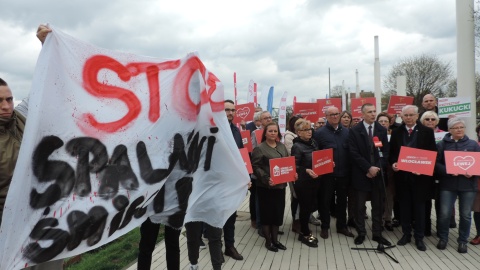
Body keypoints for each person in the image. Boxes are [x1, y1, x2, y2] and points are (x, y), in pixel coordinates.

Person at [0, 25, 64, 270]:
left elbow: (43, 87)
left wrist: (45, 47)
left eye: (9, 99)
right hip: (9, 236)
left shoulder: (23, 118)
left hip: (42, 222)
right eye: (0, 101)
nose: (6, 106)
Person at [390, 105, 436, 251]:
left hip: (420, 178)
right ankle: (406, 234)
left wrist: (423, 168)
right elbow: (392, 154)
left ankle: (419, 237)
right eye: (406, 115)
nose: (408, 118)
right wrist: (393, 164)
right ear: (401, 117)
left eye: (411, 115)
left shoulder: (427, 132)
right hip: (402, 177)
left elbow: (432, 153)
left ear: (417, 116)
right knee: (404, 207)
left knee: (420, 209)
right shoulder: (396, 132)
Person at [435, 117, 480, 253]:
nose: (459, 130)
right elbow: (436, 164)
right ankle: (443, 238)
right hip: (448, 185)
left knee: (465, 215)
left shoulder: (473, 145)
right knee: (444, 214)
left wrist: (473, 173)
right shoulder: (442, 144)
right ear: (450, 130)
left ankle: (462, 241)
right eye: (456, 127)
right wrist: (448, 170)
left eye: (461, 127)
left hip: (468, 186)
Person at [348, 103, 391, 246]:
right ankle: (361, 232)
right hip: (361, 174)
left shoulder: (381, 130)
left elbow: (385, 153)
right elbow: (353, 153)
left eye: (374, 111)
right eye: (370, 112)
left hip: (378, 174)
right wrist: (368, 168)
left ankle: (377, 234)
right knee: (359, 206)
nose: (373, 114)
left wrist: (377, 168)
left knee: (378, 205)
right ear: (363, 114)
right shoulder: (355, 130)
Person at [313, 106, 354, 239]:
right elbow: (315, 153)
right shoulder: (319, 133)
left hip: (344, 174)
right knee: (325, 201)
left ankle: (342, 226)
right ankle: (325, 227)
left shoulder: (348, 132)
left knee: (342, 201)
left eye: (337, 114)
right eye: (331, 115)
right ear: (327, 117)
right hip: (327, 175)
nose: (335, 116)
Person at [251, 122, 290, 252]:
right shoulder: (260, 148)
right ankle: (268, 242)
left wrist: (292, 173)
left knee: (277, 214)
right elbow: (255, 166)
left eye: (275, 131)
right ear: (265, 133)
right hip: (266, 188)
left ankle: (275, 240)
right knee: (267, 215)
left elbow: (288, 162)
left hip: (280, 187)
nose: (273, 133)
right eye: (270, 131)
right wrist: (266, 179)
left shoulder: (281, 146)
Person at [291, 119, 320, 247]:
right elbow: (294, 166)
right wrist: (306, 170)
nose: (309, 132)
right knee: (304, 207)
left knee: (311, 205)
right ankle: (304, 232)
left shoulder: (313, 142)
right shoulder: (296, 146)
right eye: (305, 130)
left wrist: (328, 163)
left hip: (314, 179)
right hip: (303, 182)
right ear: (298, 133)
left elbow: (319, 158)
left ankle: (305, 229)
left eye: (310, 129)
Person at [221, 99, 244, 260]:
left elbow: (242, 155)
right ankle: (215, 247)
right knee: (216, 216)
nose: (230, 113)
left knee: (231, 215)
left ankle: (229, 246)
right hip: (216, 181)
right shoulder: (213, 129)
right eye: (227, 110)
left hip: (233, 182)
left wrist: (246, 176)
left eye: (233, 110)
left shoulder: (236, 131)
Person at [283, 115, 304, 234]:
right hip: (294, 171)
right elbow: (293, 154)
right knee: (296, 196)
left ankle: (303, 218)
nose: (301, 127)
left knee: (304, 197)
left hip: (305, 172)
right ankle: (296, 221)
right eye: (298, 124)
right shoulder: (289, 137)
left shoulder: (307, 136)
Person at [376, 112, 395, 232]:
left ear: (389, 123)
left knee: (390, 195)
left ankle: (388, 218)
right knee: (380, 196)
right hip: (380, 167)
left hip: (392, 169)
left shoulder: (394, 135)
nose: (383, 123)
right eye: (381, 121)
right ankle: (380, 219)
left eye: (385, 121)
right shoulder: (376, 136)